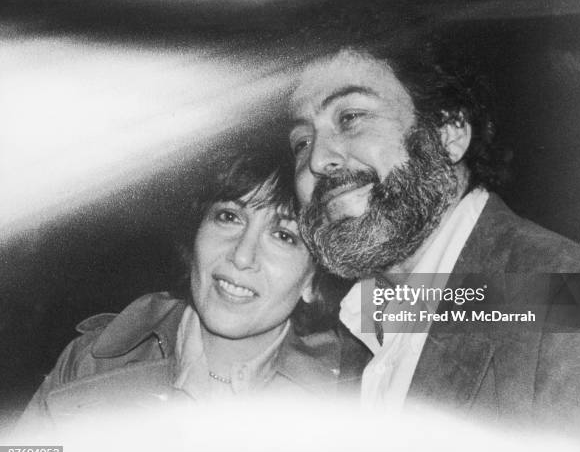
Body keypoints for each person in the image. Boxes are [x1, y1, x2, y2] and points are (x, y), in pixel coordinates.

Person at [287, 44, 580, 429]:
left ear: (449, 133)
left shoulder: (577, 297)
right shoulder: (361, 322)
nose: (318, 160)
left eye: (351, 117)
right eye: (301, 142)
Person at [19, 146, 362, 429]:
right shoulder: (91, 359)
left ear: (313, 282)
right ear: (196, 233)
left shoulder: (357, 393)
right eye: (229, 217)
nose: (242, 256)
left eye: (284, 236)